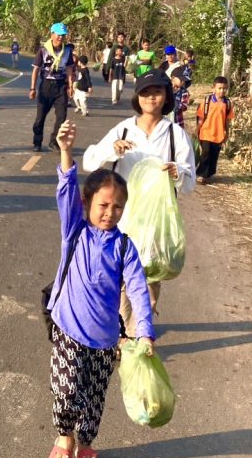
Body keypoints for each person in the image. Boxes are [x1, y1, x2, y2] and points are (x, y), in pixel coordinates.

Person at [45, 120, 154, 458]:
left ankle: (86, 442)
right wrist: (66, 152)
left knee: (94, 397)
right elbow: (65, 191)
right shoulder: (74, 232)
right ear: (87, 203)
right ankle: (64, 438)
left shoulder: (124, 247)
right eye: (103, 205)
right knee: (66, 390)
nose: (110, 213)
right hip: (68, 329)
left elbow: (138, 288)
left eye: (118, 207)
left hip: (105, 340)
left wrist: (144, 332)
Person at [81, 70, 196, 334]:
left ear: (166, 96)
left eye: (157, 92)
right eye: (145, 92)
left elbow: (190, 183)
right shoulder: (124, 129)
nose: (150, 98)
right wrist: (112, 149)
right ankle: (122, 334)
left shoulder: (175, 134)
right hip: (124, 217)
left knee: (150, 280)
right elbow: (89, 161)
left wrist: (178, 172)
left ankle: (137, 333)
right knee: (121, 278)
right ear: (137, 97)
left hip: (156, 221)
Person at [30, 22, 76, 152]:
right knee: (40, 118)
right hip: (46, 86)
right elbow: (36, 69)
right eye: (58, 34)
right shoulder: (43, 50)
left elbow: (69, 69)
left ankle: (54, 142)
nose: (60, 37)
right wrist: (32, 88)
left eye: (63, 35)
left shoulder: (67, 51)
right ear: (52, 34)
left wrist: (70, 86)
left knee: (61, 116)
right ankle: (37, 142)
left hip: (61, 86)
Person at [195, 75, 234, 184]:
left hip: (219, 134)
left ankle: (208, 174)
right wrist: (196, 131)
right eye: (219, 88)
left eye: (224, 88)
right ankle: (200, 174)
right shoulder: (207, 101)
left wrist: (227, 133)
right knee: (206, 153)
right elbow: (201, 118)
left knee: (214, 155)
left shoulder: (228, 103)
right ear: (213, 88)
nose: (222, 91)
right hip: (205, 133)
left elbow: (227, 120)